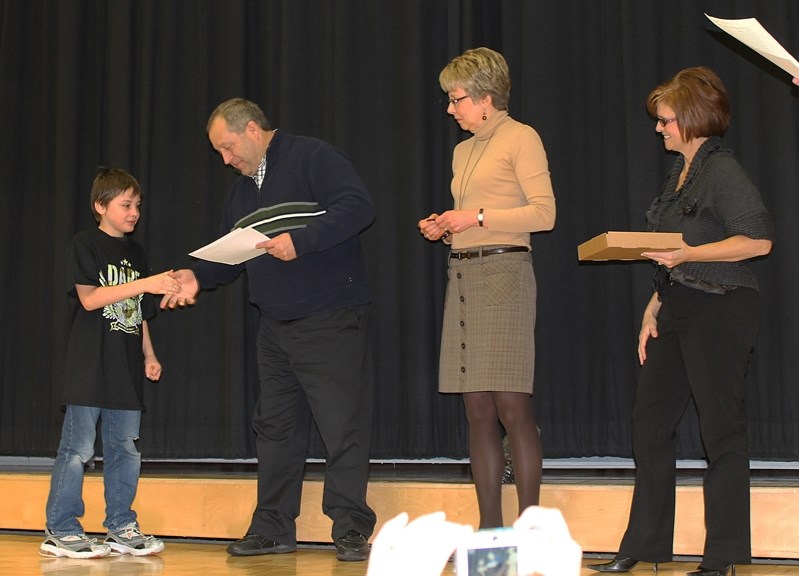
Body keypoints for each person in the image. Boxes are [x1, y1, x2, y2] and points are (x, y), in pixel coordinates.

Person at [162, 98, 377, 561]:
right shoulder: (241, 193)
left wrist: (301, 241)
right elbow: (228, 254)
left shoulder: (312, 157)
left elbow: (359, 206)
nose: (225, 159)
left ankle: (350, 527)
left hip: (329, 317)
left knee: (342, 425)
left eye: (228, 147)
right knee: (275, 430)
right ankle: (273, 527)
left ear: (254, 130)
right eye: (218, 152)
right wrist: (194, 276)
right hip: (274, 327)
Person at [588, 67, 774, 576]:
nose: (658, 129)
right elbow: (667, 253)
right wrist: (654, 307)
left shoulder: (723, 171)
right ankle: (644, 543)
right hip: (679, 306)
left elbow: (757, 241)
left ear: (692, 121)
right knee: (649, 425)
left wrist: (692, 254)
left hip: (722, 307)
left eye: (666, 120)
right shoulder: (680, 173)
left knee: (721, 432)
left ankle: (723, 557)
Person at [418, 47, 556, 530]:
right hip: (464, 276)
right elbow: (474, 214)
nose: (450, 108)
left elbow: (544, 214)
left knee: (512, 405)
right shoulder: (463, 149)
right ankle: (492, 534)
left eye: (456, 99)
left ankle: (532, 530)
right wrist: (447, 226)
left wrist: (474, 217)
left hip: (504, 275)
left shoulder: (522, 138)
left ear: (486, 98)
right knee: (476, 407)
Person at [40, 168, 179, 559]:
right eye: (125, 205)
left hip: (126, 369)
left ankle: (120, 526)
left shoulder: (136, 253)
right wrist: (146, 284)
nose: (134, 212)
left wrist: (149, 355)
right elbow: (89, 298)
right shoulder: (85, 243)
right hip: (89, 367)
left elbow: (138, 312)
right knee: (77, 450)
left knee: (125, 449)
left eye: (137, 205)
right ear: (100, 206)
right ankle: (61, 528)